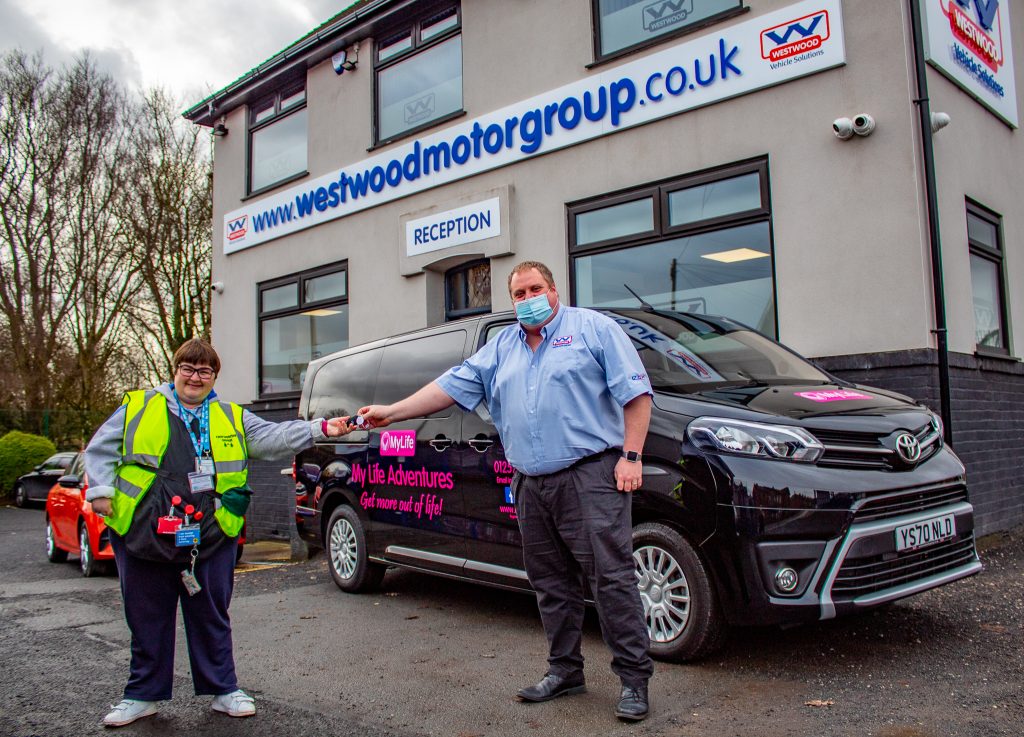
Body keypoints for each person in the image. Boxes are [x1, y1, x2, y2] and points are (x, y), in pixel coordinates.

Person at [356, 261, 655, 721]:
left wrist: (631, 456)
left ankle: (634, 680)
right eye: (519, 293)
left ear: (553, 291)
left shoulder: (593, 329)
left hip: (590, 476)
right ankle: (564, 670)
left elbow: (636, 395)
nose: (528, 298)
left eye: (536, 289)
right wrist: (392, 412)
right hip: (530, 482)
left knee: (611, 579)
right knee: (549, 582)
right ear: (512, 300)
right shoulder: (501, 348)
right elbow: (448, 387)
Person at [86, 338, 352, 727]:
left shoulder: (230, 415)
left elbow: (273, 438)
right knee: (146, 616)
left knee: (211, 613)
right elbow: (101, 449)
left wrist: (322, 427)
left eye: (205, 371)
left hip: (211, 531)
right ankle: (141, 696)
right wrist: (100, 493)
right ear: (175, 370)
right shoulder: (140, 406)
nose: (195, 377)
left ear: (214, 377)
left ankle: (224, 689)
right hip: (144, 529)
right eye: (188, 369)